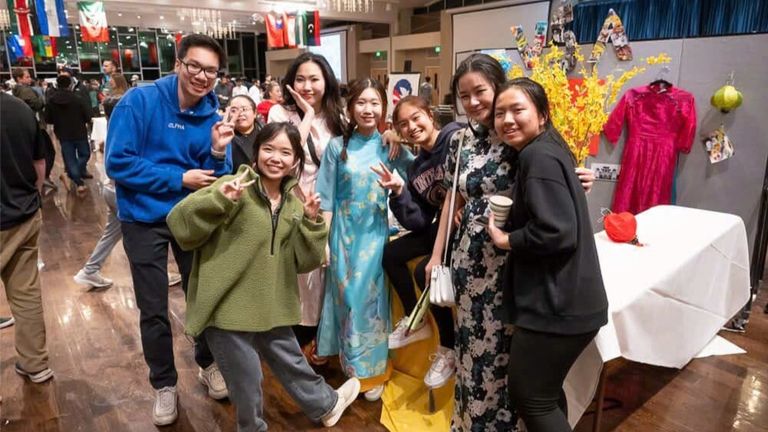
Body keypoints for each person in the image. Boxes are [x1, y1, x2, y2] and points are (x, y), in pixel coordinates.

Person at [425, 54, 594, 431]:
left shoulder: (518, 133)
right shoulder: (459, 141)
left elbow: (553, 169)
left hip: (511, 262)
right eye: (464, 95)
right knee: (472, 351)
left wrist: (581, 176)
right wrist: (437, 255)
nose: (472, 102)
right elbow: (453, 197)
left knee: (506, 359)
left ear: (498, 86)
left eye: (480, 91)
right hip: (470, 261)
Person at [168, 122, 361, 431]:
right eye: (268, 149)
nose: (276, 158)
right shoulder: (235, 184)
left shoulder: (294, 204)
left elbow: (304, 261)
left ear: (296, 161)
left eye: (285, 152)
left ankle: (325, 405)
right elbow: (179, 224)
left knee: (292, 360)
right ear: (255, 153)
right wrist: (219, 200)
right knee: (247, 381)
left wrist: (312, 223)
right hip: (227, 309)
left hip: (269, 304)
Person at [105, 34, 232, 426]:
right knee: (153, 307)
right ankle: (164, 384)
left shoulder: (214, 117)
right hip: (142, 219)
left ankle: (208, 362)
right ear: (178, 64)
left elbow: (217, 178)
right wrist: (179, 177)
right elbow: (118, 164)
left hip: (189, 220)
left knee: (203, 297)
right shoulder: (139, 102)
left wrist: (216, 152)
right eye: (194, 66)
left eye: (210, 70)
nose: (201, 76)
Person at [488, 78, 607, 432]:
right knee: (546, 393)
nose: (507, 119)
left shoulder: (536, 155)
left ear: (541, 115)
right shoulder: (552, 148)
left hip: (557, 305)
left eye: (517, 109)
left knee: (530, 397)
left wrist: (507, 240)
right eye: (500, 113)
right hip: (569, 300)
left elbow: (557, 231)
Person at [316, 78, 413, 401]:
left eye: (375, 103)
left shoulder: (390, 146)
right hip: (343, 234)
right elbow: (326, 197)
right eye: (361, 102)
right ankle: (353, 368)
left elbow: (420, 175)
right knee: (347, 301)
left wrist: (399, 137)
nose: (368, 109)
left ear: (383, 108)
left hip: (375, 234)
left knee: (371, 301)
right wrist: (324, 241)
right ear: (350, 107)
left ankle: (373, 372)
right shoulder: (335, 147)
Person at [376, 95, 462, 389]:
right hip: (439, 227)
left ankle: (449, 349)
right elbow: (418, 222)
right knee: (390, 254)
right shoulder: (415, 168)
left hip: (462, 228)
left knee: (423, 270)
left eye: (416, 118)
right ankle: (417, 321)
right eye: (403, 124)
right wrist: (400, 192)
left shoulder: (455, 139)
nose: (412, 127)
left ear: (430, 114)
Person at [267, 53, 347, 363]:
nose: (307, 85)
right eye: (300, 78)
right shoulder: (279, 112)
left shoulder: (339, 115)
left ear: (326, 80)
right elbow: (285, 159)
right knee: (296, 275)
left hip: (327, 203)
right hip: (290, 199)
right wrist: (308, 116)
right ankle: (293, 344)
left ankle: (318, 339)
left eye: (314, 78)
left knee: (322, 275)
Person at [0, 92, 53, 384]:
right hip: (22, 213)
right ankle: (36, 364)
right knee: (26, 293)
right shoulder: (20, 109)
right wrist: (33, 195)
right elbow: (39, 164)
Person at [73, 74, 130, 288]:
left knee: (113, 232)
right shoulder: (126, 134)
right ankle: (158, 274)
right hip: (121, 192)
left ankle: (89, 270)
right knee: (141, 235)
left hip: (112, 189)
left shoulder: (113, 135)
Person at [45, 74, 93, 193]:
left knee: (70, 159)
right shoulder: (77, 98)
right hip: (79, 131)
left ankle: (73, 175)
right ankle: (77, 180)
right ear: (70, 84)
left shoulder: (51, 100)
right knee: (85, 154)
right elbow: (87, 116)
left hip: (62, 133)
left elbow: (48, 119)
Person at [227, 95, 264, 171]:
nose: (240, 114)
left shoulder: (266, 134)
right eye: (233, 110)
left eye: (244, 109)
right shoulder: (224, 138)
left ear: (255, 113)